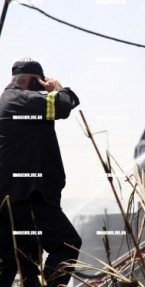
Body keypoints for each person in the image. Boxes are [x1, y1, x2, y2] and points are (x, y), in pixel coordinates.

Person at [0, 60, 82, 286]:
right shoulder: (20, 99)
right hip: (27, 196)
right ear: (31, 80)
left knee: (18, 264)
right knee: (67, 244)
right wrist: (57, 88)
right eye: (38, 84)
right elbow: (62, 105)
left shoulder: (8, 102)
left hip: (11, 200)